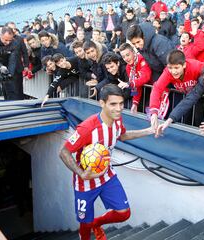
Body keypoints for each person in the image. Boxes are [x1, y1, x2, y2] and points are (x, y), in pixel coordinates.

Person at [59, 84, 154, 240]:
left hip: (107, 176)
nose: (119, 108)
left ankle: (96, 223)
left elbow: (122, 135)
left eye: (121, 103)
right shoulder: (87, 128)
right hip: (85, 183)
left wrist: (148, 131)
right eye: (113, 104)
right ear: (102, 103)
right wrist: (82, 174)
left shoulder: (117, 119)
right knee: (84, 223)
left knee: (124, 213)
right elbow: (63, 151)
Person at [149, 50, 204, 130]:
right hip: (186, 98)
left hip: (201, 96)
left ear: (184, 65)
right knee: (185, 119)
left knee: (199, 120)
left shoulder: (197, 66)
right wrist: (154, 112)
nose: (173, 71)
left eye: (176, 67)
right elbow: (157, 88)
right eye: (170, 67)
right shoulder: (168, 72)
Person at [119, 43, 152, 113]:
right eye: (123, 57)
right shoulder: (128, 67)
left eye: (128, 55)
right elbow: (135, 87)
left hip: (153, 90)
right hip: (143, 91)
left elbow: (145, 77)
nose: (126, 58)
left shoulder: (142, 59)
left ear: (133, 52)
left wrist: (129, 84)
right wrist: (135, 102)